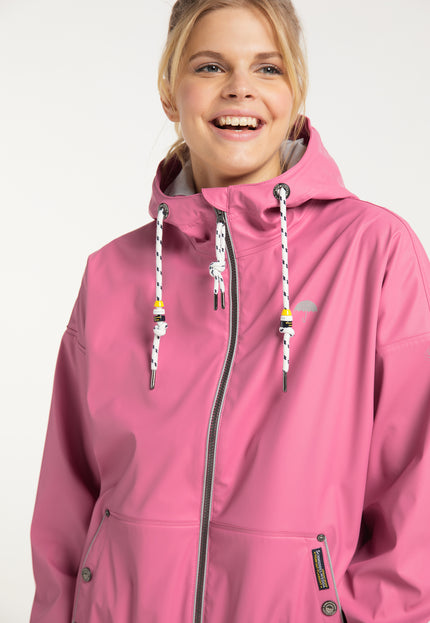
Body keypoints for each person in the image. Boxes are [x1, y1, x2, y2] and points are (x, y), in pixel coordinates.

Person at [29, 0, 430, 621]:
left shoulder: (373, 252)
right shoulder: (111, 274)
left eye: (268, 68)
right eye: (211, 66)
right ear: (171, 91)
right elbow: (67, 499)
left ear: (295, 92)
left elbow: (416, 494)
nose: (241, 88)